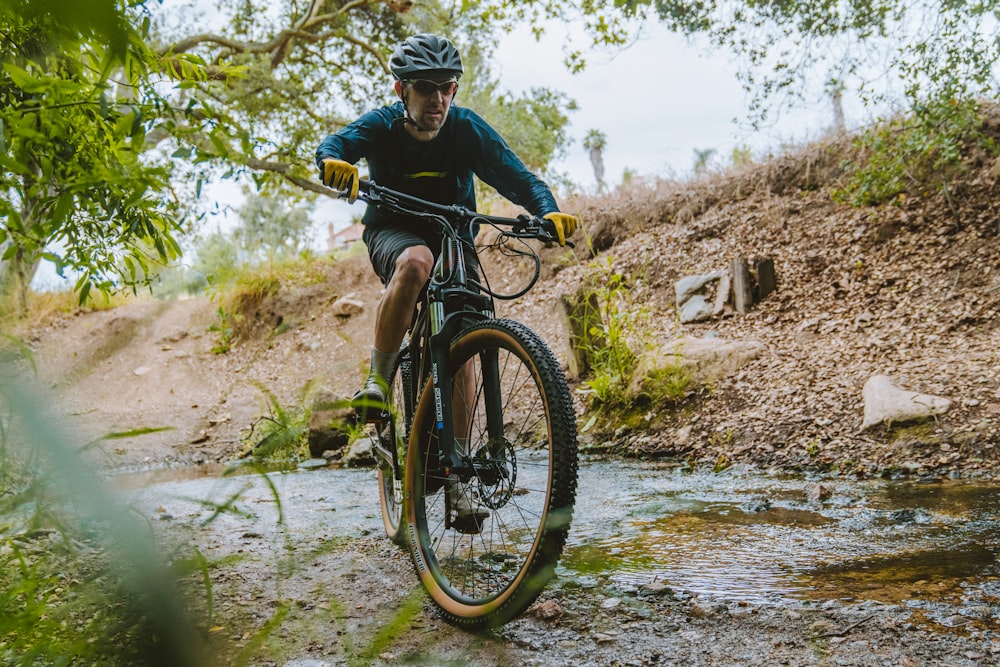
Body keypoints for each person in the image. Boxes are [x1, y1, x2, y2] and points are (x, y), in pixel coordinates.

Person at [315, 33, 578, 531]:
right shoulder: (382, 126)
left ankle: (455, 475)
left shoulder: (465, 128)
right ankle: (378, 377)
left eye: (448, 88)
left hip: (455, 237)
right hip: (395, 232)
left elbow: (519, 177)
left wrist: (549, 211)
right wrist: (336, 164)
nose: (439, 99)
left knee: (469, 333)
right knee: (415, 263)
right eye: (427, 87)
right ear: (402, 89)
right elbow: (335, 145)